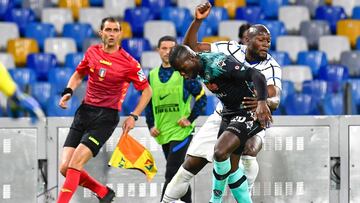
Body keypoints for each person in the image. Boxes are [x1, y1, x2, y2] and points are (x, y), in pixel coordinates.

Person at [162, 2, 282, 203]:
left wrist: (264, 102)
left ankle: (238, 197)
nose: (266, 44)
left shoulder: (271, 66)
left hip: (252, 111)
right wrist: (197, 21)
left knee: (248, 152)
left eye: (268, 41)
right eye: (261, 40)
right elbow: (190, 50)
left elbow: (275, 97)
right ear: (247, 39)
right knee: (191, 164)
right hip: (223, 112)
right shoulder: (228, 49)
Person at [57, 17, 152, 203]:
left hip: (105, 118)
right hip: (84, 112)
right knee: (64, 168)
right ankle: (102, 191)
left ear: (120, 33)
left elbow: (147, 91)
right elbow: (79, 73)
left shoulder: (129, 63)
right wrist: (69, 91)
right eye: (108, 30)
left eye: (116, 30)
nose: (112, 34)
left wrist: (134, 115)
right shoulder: (92, 52)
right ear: (101, 33)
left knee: (75, 164)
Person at [169, 44, 272, 203]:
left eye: (182, 68)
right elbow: (186, 47)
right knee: (231, 170)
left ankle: (215, 200)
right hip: (228, 113)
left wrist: (262, 102)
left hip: (246, 112)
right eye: (178, 71)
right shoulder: (196, 64)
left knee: (219, 151)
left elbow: (256, 75)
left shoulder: (219, 65)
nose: (182, 73)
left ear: (191, 58)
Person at [145, 36, 207, 202]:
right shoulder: (151, 76)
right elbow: (148, 102)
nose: (167, 52)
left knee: (172, 172)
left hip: (182, 133)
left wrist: (190, 118)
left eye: (171, 49)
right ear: (158, 50)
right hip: (163, 133)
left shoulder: (184, 73)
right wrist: (151, 125)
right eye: (163, 48)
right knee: (179, 175)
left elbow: (202, 99)